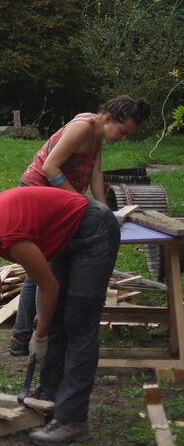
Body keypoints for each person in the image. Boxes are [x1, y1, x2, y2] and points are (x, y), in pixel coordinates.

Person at [0, 187, 119, 445]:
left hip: (93, 229)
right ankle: (48, 401)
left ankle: (72, 420)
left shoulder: (8, 235)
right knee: (55, 321)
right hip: (65, 235)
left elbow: (49, 286)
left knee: (78, 324)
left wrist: (39, 336)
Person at [9, 95, 151, 355]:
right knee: (42, 266)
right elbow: (51, 168)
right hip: (36, 195)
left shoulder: (97, 135)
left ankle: (21, 338)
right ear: (108, 118)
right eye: (122, 132)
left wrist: (104, 213)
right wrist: (80, 204)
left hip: (57, 199)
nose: (123, 138)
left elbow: (95, 174)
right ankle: (28, 338)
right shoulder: (83, 127)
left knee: (37, 266)